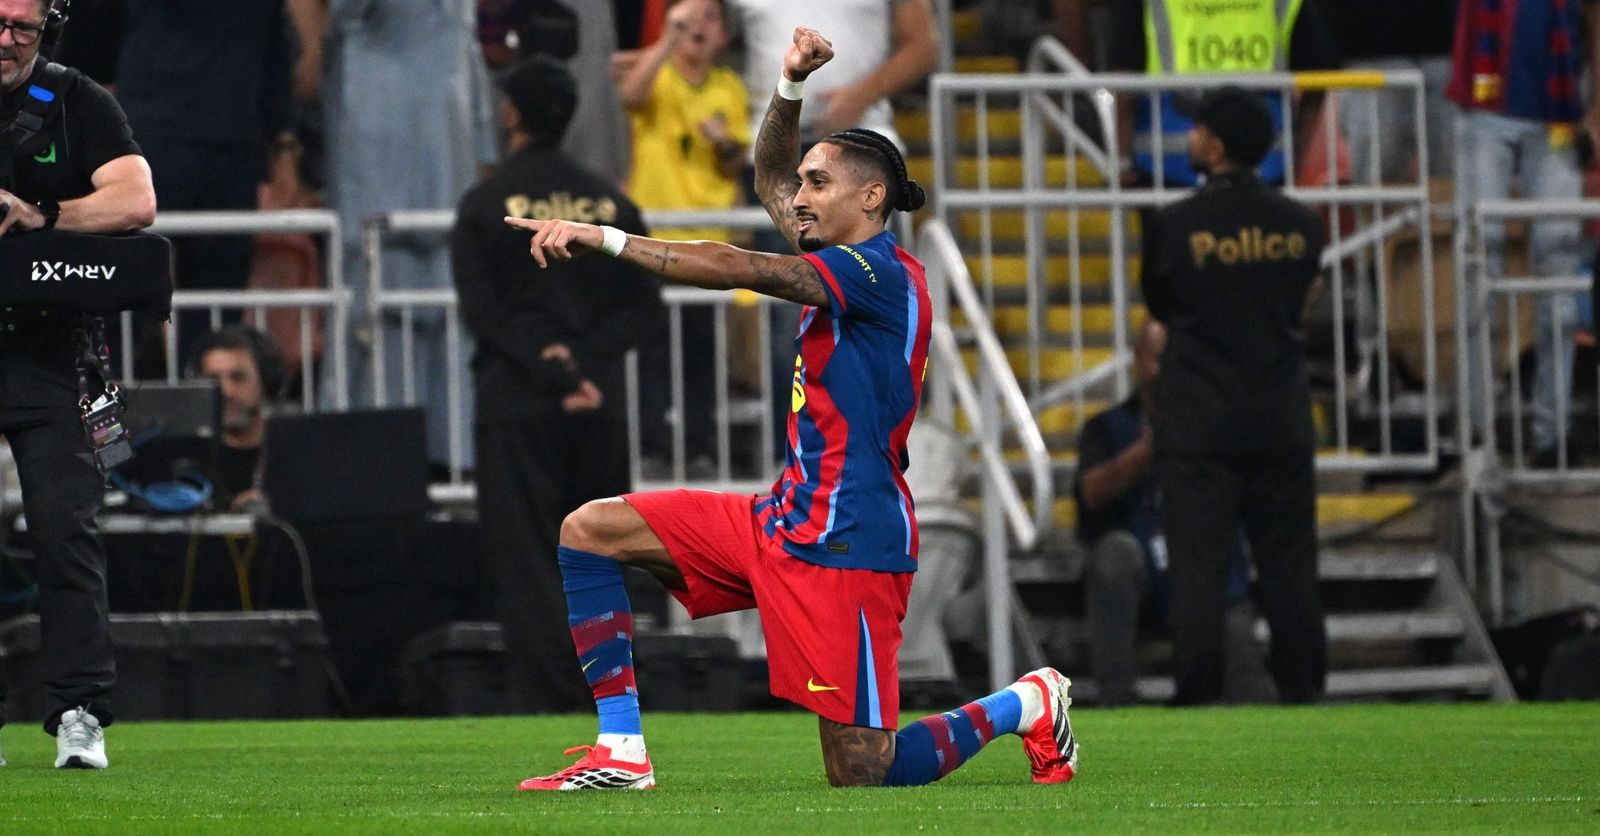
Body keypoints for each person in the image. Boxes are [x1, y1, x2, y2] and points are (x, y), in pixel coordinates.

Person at [503, 26, 1077, 791]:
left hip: (852, 540)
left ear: (870, 197)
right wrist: (790, 86)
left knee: (865, 770)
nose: (798, 197)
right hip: (780, 518)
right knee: (591, 530)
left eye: (818, 184)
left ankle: (1026, 702)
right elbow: (770, 171)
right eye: (803, 185)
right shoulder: (834, 254)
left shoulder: (879, 274)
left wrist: (605, 238)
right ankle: (622, 752)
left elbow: (734, 264)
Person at [451, 56, 663, 714]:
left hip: (518, 402)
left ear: (511, 113)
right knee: (600, 556)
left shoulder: (486, 203)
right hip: (598, 405)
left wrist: (550, 365)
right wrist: (585, 366)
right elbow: (643, 306)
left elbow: (482, 311)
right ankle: (608, 700)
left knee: (528, 560)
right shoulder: (611, 204)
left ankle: (547, 700)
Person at [0, 0, 157, 769]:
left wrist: (42, 215)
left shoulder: (75, 100)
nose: (4, 40)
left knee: (66, 530)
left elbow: (136, 199)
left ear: (48, 28)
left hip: (53, 352)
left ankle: (80, 713)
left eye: (21, 28)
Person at [1140, 86, 1328, 706]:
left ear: (1215, 147)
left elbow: (1163, 304)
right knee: (1290, 566)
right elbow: (1299, 302)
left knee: (1199, 566)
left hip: (1200, 419)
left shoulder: (1173, 225)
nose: (1190, 138)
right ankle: (1304, 691)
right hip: (1280, 415)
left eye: (1198, 130)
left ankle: (1197, 696)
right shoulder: (1301, 224)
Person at [1075, 320, 1265, 706]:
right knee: (1114, 554)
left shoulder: (1216, 426)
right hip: (1142, 574)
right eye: (1159, 359)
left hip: (1202, 570)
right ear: (1138, 359)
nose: (1168, 370)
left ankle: (1250, 719)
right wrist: (1152, 446)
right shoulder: (1107, 427)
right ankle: (1117, 701)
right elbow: (1092, 491)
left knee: (1235, 603)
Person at [111, 0, 301, 369]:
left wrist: (284, 144)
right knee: (120, 294)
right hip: (149, 143)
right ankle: (104, 401)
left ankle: (209, 402)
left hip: (232, 150)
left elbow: (274, 50)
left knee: (217, 311)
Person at [1448, 0, 1595, 465]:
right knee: (1477, 267)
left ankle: (1552, 435)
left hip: (1557, 115)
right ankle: (1477, 433)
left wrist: (1595, 112)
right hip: (1484, 107)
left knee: (1557, 280)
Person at [620, 0, 750, 474]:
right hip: (653, 238)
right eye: (689, 16)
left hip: (706, 242)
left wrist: (723, 141)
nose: (699, 25)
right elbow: (630, 96)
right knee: (650, 350)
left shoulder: (729, 86)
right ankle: (652, 450)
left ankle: (700, 450)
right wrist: (664, 41)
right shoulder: (658, 75)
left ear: (723, 37)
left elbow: (735, 164)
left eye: (710, 17)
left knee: (703, 354)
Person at [1108, 0, 1338, 186]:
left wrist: (1122, 161)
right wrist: (1296, 160)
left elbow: (1125, 84)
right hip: (1266, 162)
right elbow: (1316, 79)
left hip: (1166, 164)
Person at [191, 326, 287, 512]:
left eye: (238, 377)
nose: (226, 391)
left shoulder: (292, 451)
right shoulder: (189, 457)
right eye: (213, 380)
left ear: (267, 381)